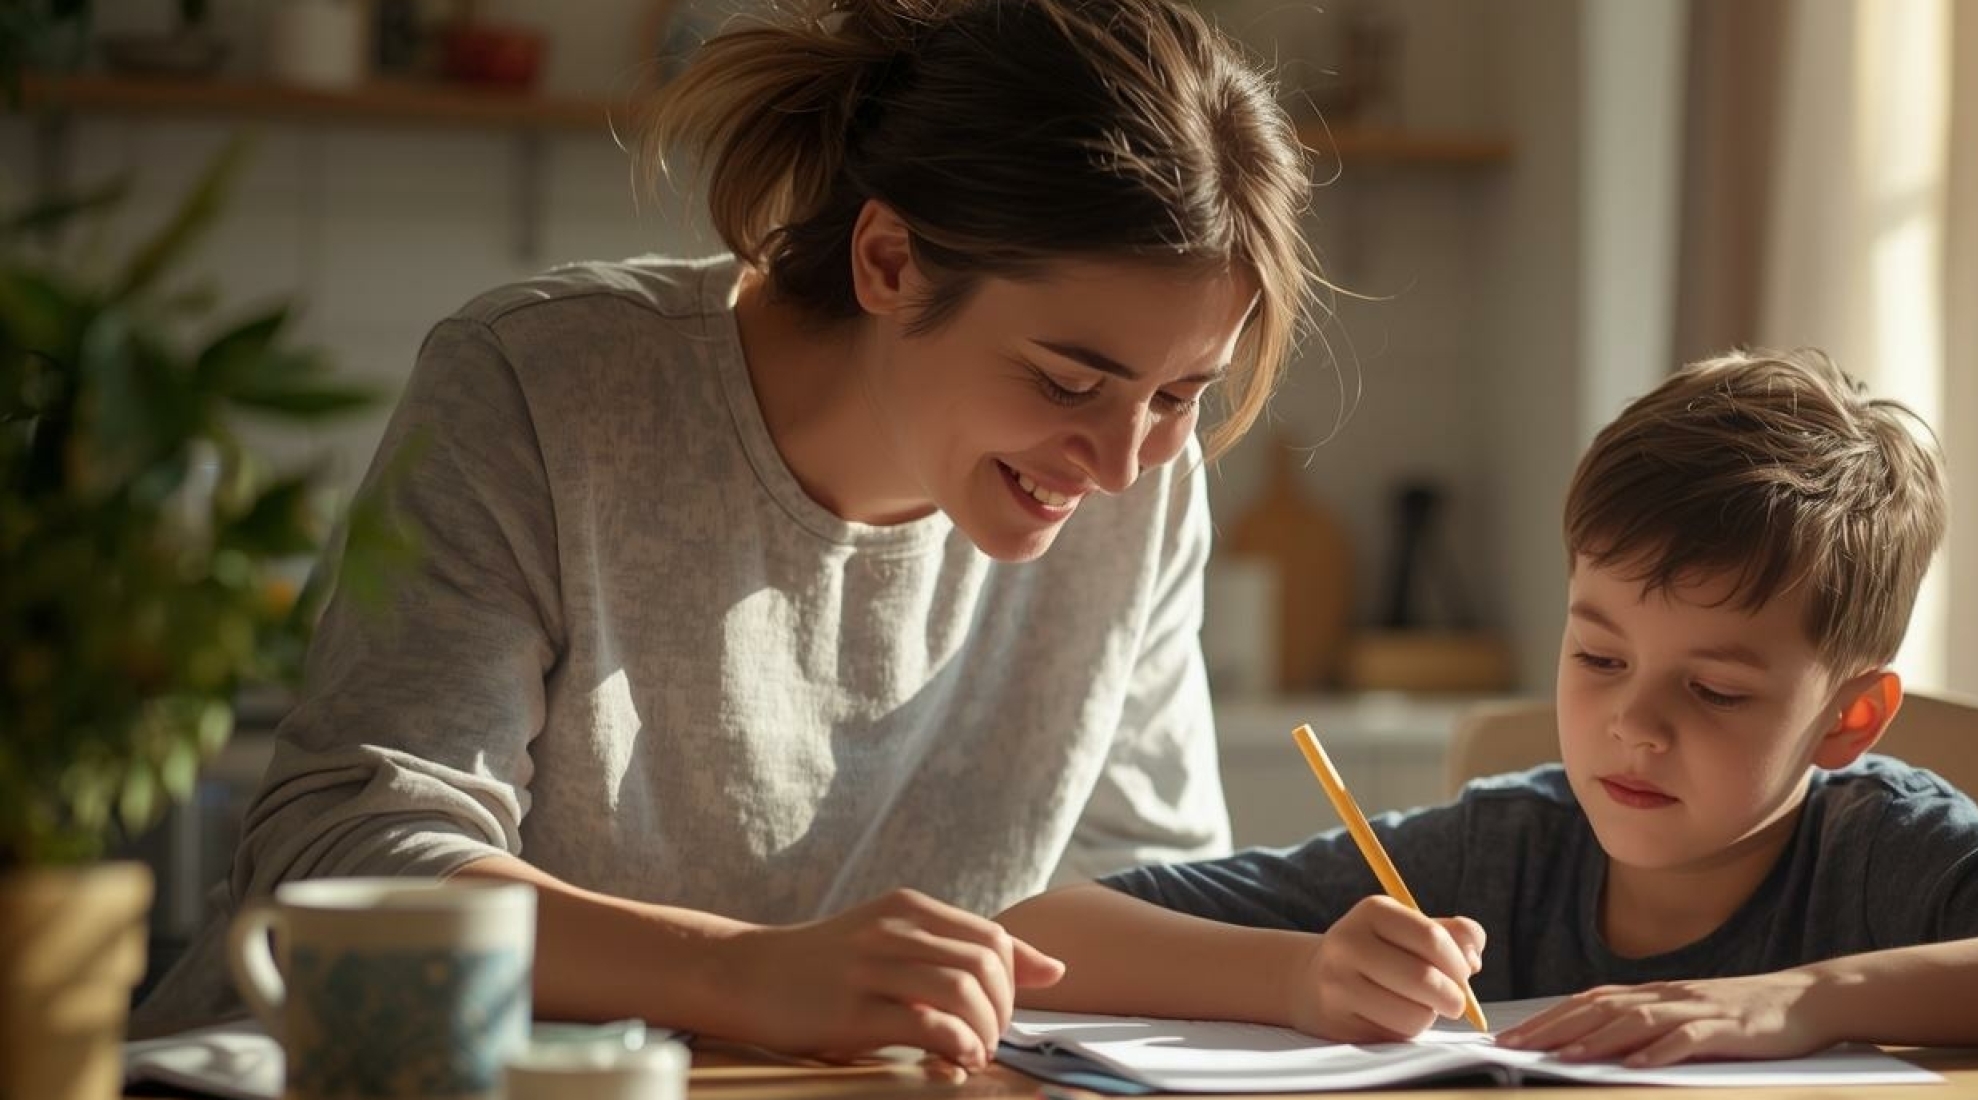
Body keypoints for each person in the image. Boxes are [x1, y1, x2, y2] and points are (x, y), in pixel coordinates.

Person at [132, 0, 1314, 1071]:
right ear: (889, 262)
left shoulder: (1142, 487)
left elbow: (1126, 884)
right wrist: (739, 970)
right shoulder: (545, 385)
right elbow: (349, 853)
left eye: (1179, 394)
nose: (1122, 462)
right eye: (1066, 382)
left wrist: (1307, 972)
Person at [999, 350, 1978, 1063]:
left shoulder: (1877, 854)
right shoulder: (1504, 848)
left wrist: (1808, 998)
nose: (1633, 726)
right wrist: (1300, 975)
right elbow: (1039, 933)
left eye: (1714, 687)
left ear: (1845, 722)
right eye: (1597, 656)